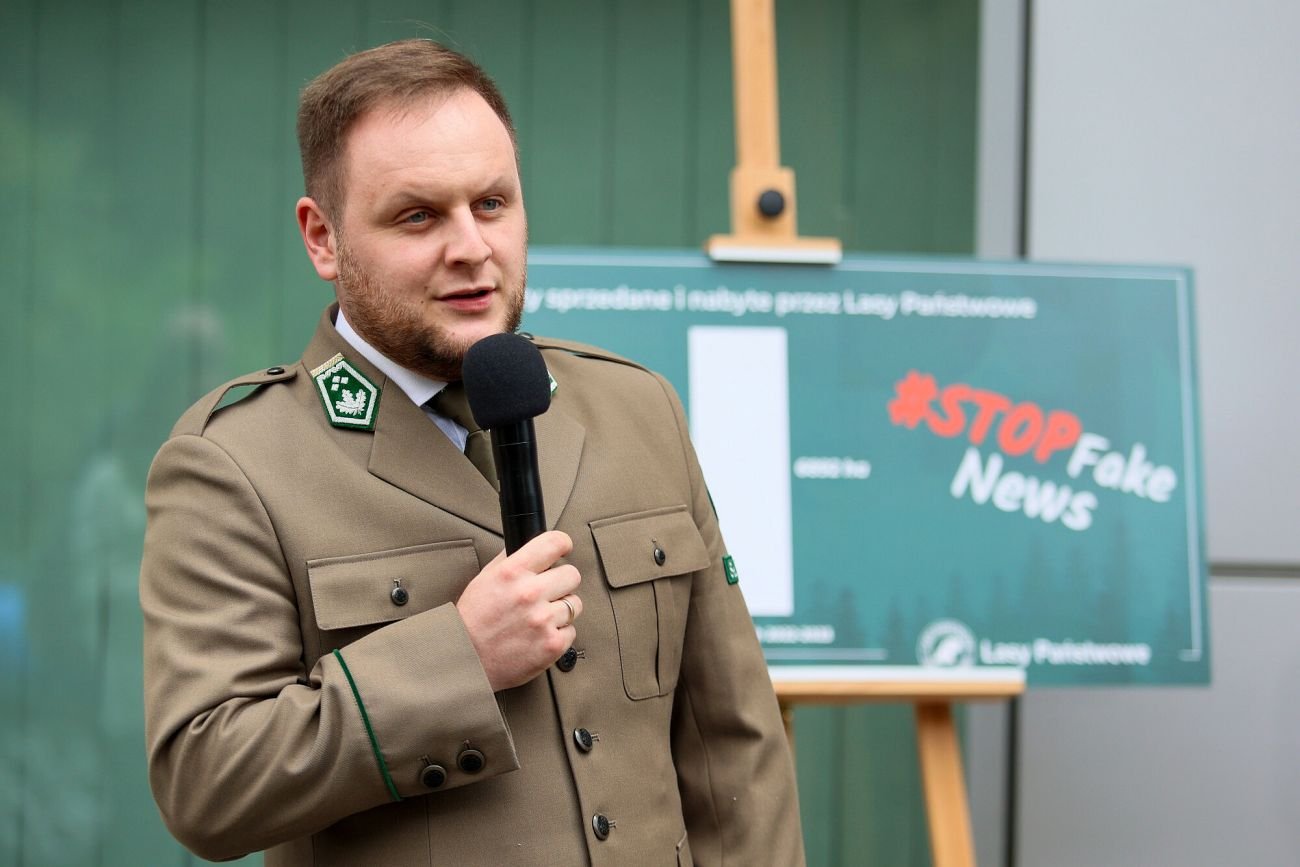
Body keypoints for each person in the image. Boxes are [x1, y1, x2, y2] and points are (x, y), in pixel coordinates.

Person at [140, 39, 804, 866]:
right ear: (322, 238)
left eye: (491, 203)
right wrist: (460, 656)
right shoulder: (236, 463)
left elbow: (734, 746)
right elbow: (207, 782)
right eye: (417, 215)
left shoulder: (639, 409)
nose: (470, 248)